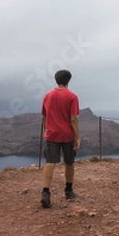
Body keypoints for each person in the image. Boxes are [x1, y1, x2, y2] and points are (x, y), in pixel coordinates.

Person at [40, 69, 81, 208]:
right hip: (67, 135)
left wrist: (48, 131)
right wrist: (78, 137)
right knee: (69, 162)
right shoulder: (72, 96)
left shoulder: (47, 96)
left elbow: (44, 117)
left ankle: (45, 193)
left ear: (56, 80)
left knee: (50, 163)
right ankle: (68, 191)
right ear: (68, 80)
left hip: (52, 134)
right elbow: (73, 119)